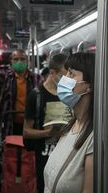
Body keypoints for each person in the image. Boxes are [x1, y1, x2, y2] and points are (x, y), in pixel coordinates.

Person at [43, 52, 108, 193]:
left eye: (71, 74)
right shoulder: (72, 126)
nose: (64, 79)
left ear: (90, 85)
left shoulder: (103, 134)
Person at [23, 53, 72, 193]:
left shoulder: (70, 95)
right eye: (63, 76)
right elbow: (26, 132)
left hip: (66, 153)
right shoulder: (36, 95)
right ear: (52, 73)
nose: (67, 81)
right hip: (44, 155)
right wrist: (49, 133)